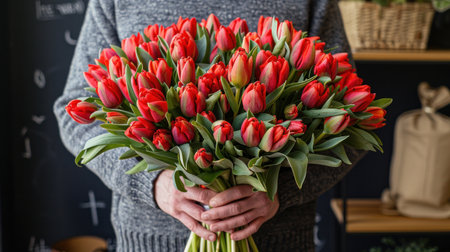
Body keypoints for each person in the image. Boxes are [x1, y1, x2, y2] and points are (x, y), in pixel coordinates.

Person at [54, 0, 364, 251]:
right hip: (149, 242)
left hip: (280, 241)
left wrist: (279, 191)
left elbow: (349, 119)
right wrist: (150, 184)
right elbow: (74, 113)